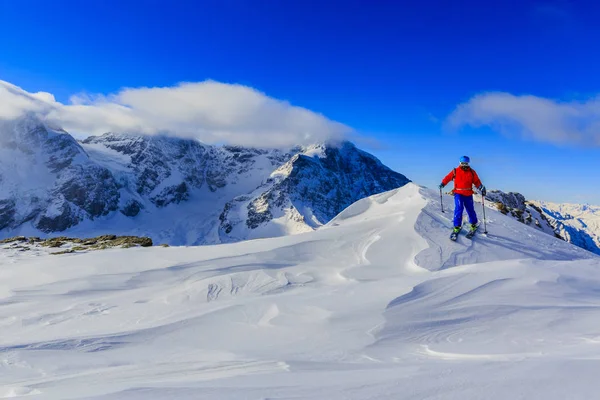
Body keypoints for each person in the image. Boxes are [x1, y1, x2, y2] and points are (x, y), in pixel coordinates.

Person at [439, 156, 486, 234]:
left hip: (468, 194)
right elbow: (448, 177)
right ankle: (457, 226)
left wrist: (480, 187)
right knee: (459, 208)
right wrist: (443, 183)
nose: (464, 165)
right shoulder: (455, 171)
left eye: (466, 163)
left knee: (470, 209)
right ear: (460, 163)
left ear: (468, 163)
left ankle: (473, 224)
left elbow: (477, 181)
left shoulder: (472, 172)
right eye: (463, 163)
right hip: (458, 193)